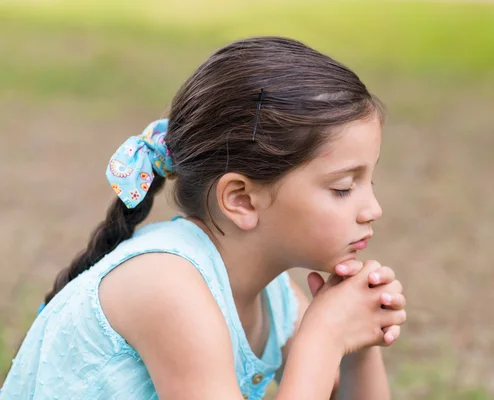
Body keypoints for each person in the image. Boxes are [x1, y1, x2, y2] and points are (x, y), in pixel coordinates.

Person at [1, 36, 406, 399]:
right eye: (342, 188)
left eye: (369, 180)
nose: (373, 208)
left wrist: (358, 345)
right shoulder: (167, 285)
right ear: (242, 200)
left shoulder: (275, 296)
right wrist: (323, 340)